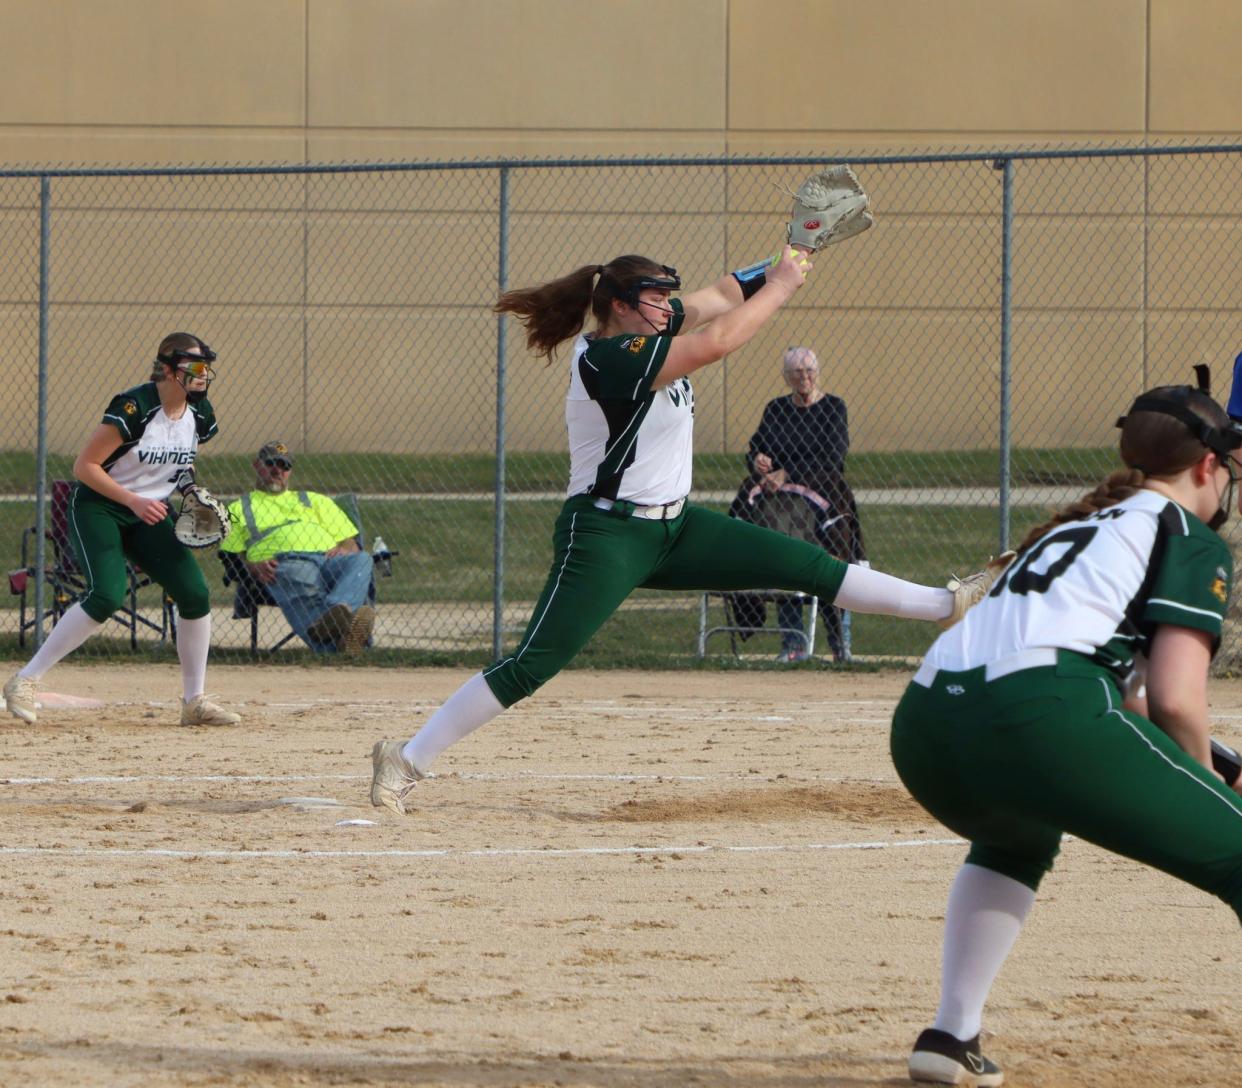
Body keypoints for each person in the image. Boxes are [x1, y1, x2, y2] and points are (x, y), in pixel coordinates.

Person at [369, 236, 1008, 815]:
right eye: (654, 298)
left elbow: (723, 296)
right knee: (534, 664)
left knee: (806, 565)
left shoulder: (647, 325)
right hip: (605, 535)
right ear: (619, 306)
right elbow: (720, 340)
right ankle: (406, 757)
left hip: (675, 527)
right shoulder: (607, 359)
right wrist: (784, 286)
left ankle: (947, 604)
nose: (667, 307)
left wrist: (794, 254)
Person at [890, 375, 1242, 1086]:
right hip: (1042, 717)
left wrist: (1219, 768)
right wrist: (1213, 793)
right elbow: (1175, 700)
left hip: (925, 726)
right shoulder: (1189, 537)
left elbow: (1119, 707)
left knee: (1018, 831)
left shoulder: (1079, 524)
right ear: (1209, 466)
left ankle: (951, 1033)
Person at [3, 332, 240, 727]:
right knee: (107, 594)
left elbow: (180, 461)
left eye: (206, 369)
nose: (203, 376)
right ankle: (24, 681)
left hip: (148, 510)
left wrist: (189, 490)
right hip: (101, 506)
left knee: (195, 593)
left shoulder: (199, 413)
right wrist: (131, 500)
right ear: (167, 369)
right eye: (194, 368)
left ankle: (193, 701)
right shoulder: (135, 406)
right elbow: (85, 468)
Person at [731, 345, 866, 661]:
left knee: (835, 555)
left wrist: (786, 471)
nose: (804, 377)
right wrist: (759, 462)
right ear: (786, 377)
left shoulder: (833, 407)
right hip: (780, 495)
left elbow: (833, 457)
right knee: (782, 549)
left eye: (809, 371)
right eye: (796, 372)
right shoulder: (776, 409)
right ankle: (792, 645)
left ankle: (839, 645)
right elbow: (758, 446)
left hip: (823, 489)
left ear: (817, 373)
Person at [218, 442, 375, 655]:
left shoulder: (314, 500)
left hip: (329, 560)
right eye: (271, 463)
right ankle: (339, 645)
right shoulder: (239, 508)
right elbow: (231, 555)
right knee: (300, 577)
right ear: (256, 465)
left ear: (290, 471)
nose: (278, 470)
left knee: (362, 560)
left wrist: (346, 550)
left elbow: (351, 542)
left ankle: (336, 612)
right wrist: (253, 566)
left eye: (284, 466)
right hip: (286, 562)